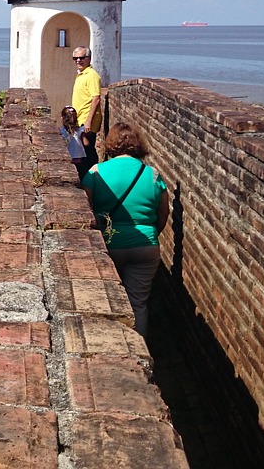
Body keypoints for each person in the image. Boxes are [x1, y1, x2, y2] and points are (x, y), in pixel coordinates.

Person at [81, 122, 169, 336]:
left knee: (105, 298)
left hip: (108, 244)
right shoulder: (154, 175)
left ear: (112, 144)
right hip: (145, 245)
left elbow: (84, 208)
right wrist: (151, 233)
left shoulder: (95, 172)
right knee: (138, 304)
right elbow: (163, 213)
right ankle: (140, 351)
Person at [70, 46, 102, 177]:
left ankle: (93, 178)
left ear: (88, 59)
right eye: (75, 58)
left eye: (81, 58)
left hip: (86, 120)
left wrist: (88, 121)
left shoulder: (92, 76)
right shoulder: (81, 74)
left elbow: (96, 98)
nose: (78, 60)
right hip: (80, 119)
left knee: (87, 151)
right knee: (81, 151)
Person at [59, 106, 85, 173]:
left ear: (62, 118)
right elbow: (86, 143)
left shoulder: (61, 131)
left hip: (68, 157)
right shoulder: (80, 130)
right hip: (79, 158)